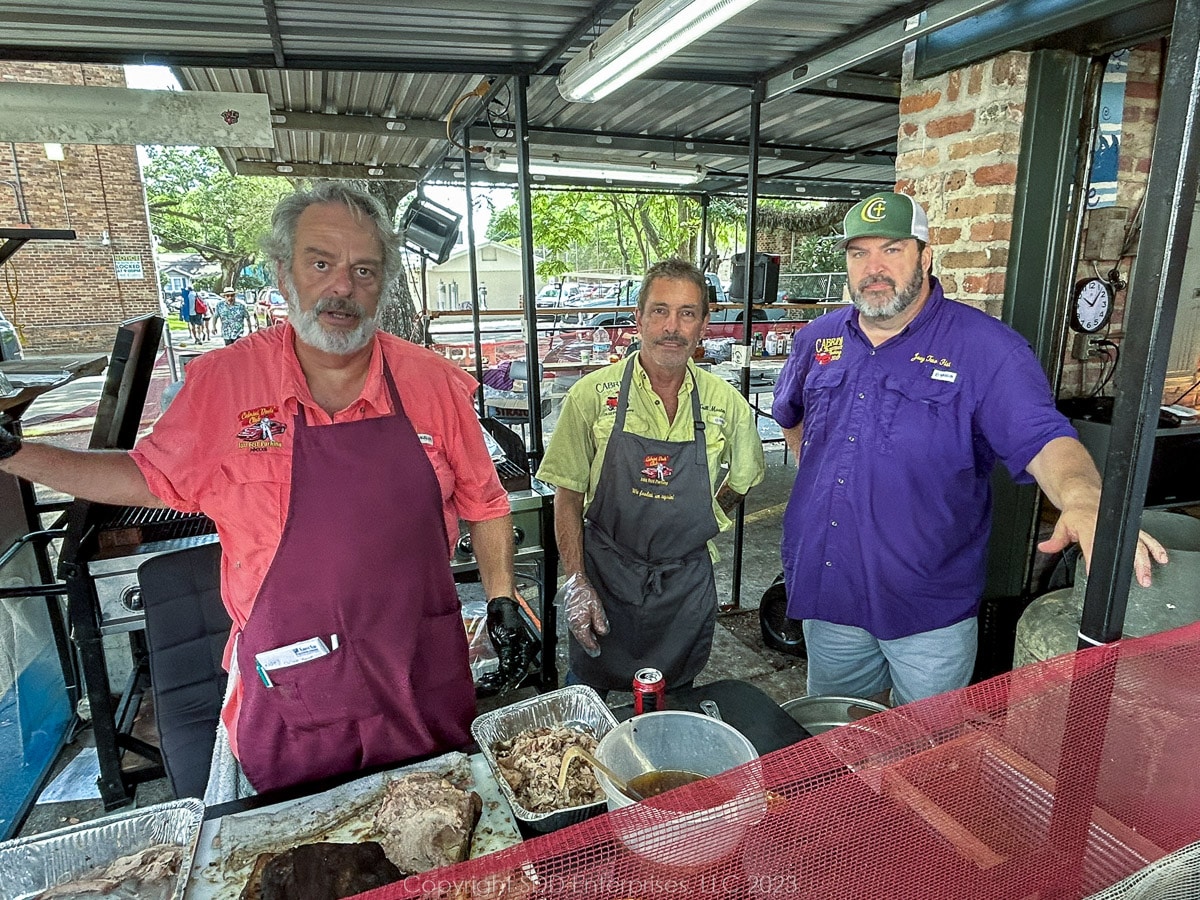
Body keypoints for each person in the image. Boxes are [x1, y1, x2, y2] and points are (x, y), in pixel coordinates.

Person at [0, 182, 523, 800]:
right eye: (320, 263)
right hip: (294, 682)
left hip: (419, 667)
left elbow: (485, 504)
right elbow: (147, 475)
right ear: (283, 273)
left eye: (363, 269)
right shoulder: (226, 382)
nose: (342, 287)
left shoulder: (433, 383)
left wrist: (503, 598)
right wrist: (19, 454)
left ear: (383, 282)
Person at [772, 191, 1168, 706]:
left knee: (925, 754)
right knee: (834, 741)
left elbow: (1045, 440)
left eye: (892, 249)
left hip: (927, 609)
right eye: (858, 252)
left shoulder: (987, 349)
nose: (873, 267)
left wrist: (1083, 498)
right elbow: (792, 416)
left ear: (925, 256)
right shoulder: (818, 339)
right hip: (831, 591)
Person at [536, 258, 765, 693]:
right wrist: (576, 581)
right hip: (604, 576)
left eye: (687, 313)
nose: (672, 327)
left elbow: (745, 476)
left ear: (704, 323)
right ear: (638, 318)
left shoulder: (726, 403)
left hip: (682, 584)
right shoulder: (591, 396)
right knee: (585, 702)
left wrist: (703, 516)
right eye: (659, 310)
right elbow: (567, 497)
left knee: (674, 704)